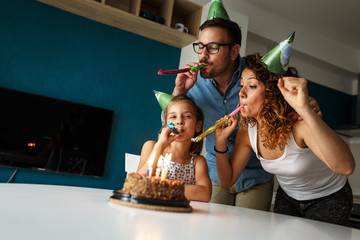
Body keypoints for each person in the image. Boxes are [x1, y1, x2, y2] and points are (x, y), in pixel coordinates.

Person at [214, 53, 355, 225]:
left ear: (272, 92)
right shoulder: (248, 130)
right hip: (289, 197)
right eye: (241, 85)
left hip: (329, 197)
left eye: (251, 86)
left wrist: (305, 110)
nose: (241, 93)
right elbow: (226, 181)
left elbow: (346, 167)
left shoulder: (298, 124)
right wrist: (220, 143)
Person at [138, 95, 212, 202]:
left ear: (198, 126)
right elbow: (139, 183)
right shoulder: (151, 147)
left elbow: (205, 194)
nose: (179, 121)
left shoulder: (197, 162)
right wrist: (160, 145)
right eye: (173, 117)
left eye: (187, 116)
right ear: (166, 125)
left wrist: (161, 189)